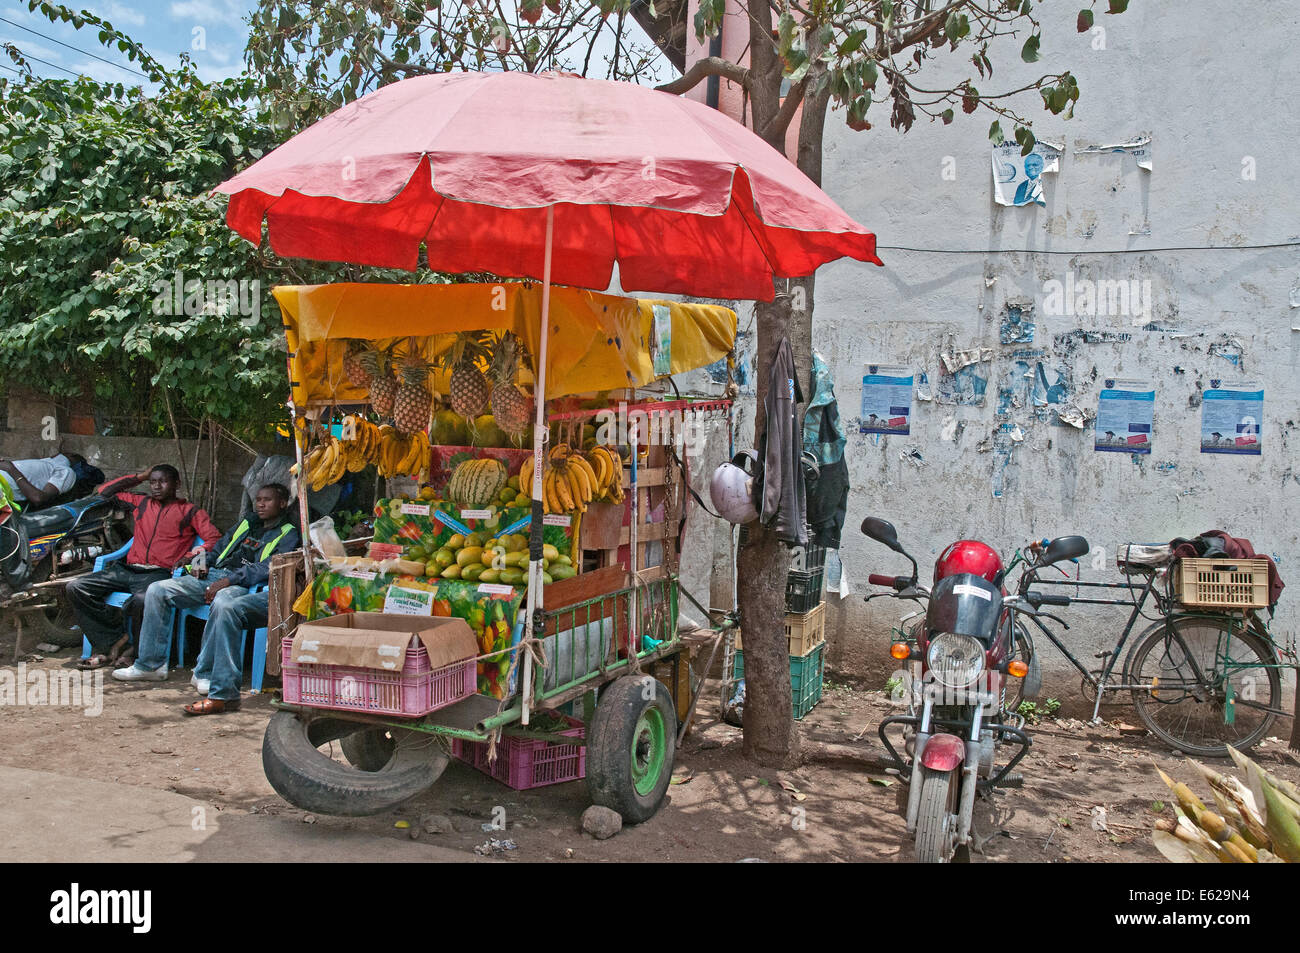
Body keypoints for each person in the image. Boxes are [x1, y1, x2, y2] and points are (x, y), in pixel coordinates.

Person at [113, 484, 300, 716]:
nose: (260, 504)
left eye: (267, 500)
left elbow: (269, 566)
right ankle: (150, 665)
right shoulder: (247, 523)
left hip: (243, 584)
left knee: (223, 603)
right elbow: (218, 549)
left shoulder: (289, 532)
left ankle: (204, 673)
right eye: (258, 499)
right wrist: (199, 563)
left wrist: (229, 580)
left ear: (282, 503)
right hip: (212, 576)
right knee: (157, 590)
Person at [67, 465, 221, 670]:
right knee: (76, 587)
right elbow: (104, 491)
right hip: (128, 569)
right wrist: (140, 476)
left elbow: (214, 538)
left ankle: (136, 653)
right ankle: (112, 642)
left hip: (158, 572)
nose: (157, 486)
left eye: (163, 481)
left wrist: (190, 555)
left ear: (177, 484)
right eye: (153, 481)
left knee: (142, 600)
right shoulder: (141, 503)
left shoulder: (189, 511)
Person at [0, 452, 86, 510]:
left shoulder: (65, 471)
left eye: (70, 454)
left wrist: (11, 470)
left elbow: (38, 498)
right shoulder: (46, 463)